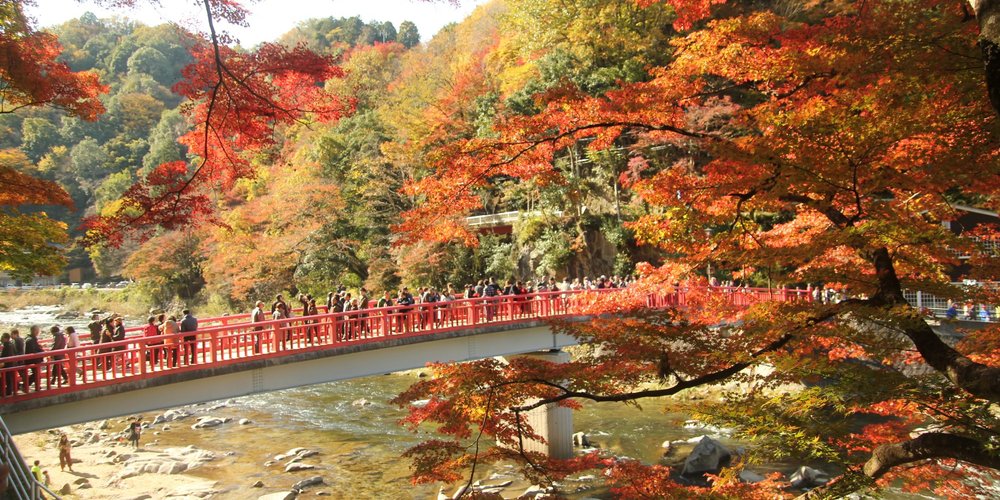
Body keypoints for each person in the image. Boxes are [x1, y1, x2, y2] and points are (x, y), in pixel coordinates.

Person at [24, 326, 44, 392]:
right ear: (35, 331)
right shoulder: (31, 340)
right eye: (38, 331)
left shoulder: (29, 338)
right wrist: (41, 352)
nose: (38, 332)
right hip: (32, 359)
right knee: (36, 373)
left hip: (30, 359)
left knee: (36, 373)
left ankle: (29, 385)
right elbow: (33, 350)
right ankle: (26, 385)